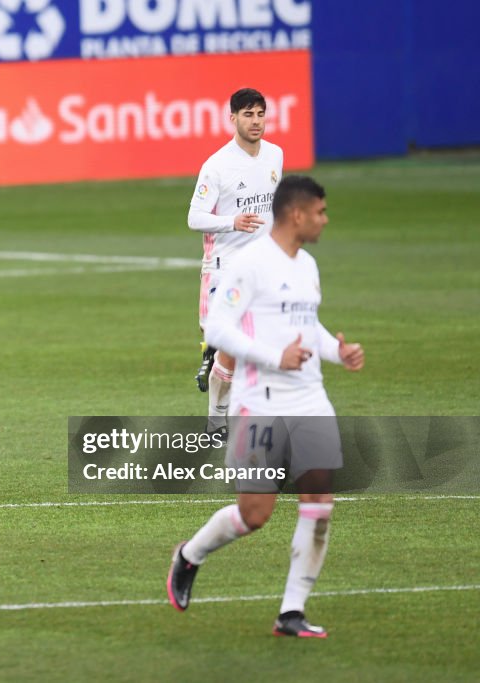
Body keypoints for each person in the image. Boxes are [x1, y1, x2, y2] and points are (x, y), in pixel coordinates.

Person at [167, 175, 365, 638]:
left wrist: (338, 352)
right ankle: (189, 555)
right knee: (253, 514)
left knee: (319, 505)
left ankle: (291, 612)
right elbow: (217, 330)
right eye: (320, 211)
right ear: (297, 213)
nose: (325, 219)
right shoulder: (250, 263)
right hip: (260, 405)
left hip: (311, 400)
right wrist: (275, 358)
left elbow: (307, 325)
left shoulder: (308, 265)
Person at [188, 88, 284, 436]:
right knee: (229, 351)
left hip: (265, 270)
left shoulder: (275, 155)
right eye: (248, 114)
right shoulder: (217, 166)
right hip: (224, 268)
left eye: (260, 114)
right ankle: (216, 421)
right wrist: (232, 221)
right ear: (233, 118)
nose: (255, 121)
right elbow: (194, 218)